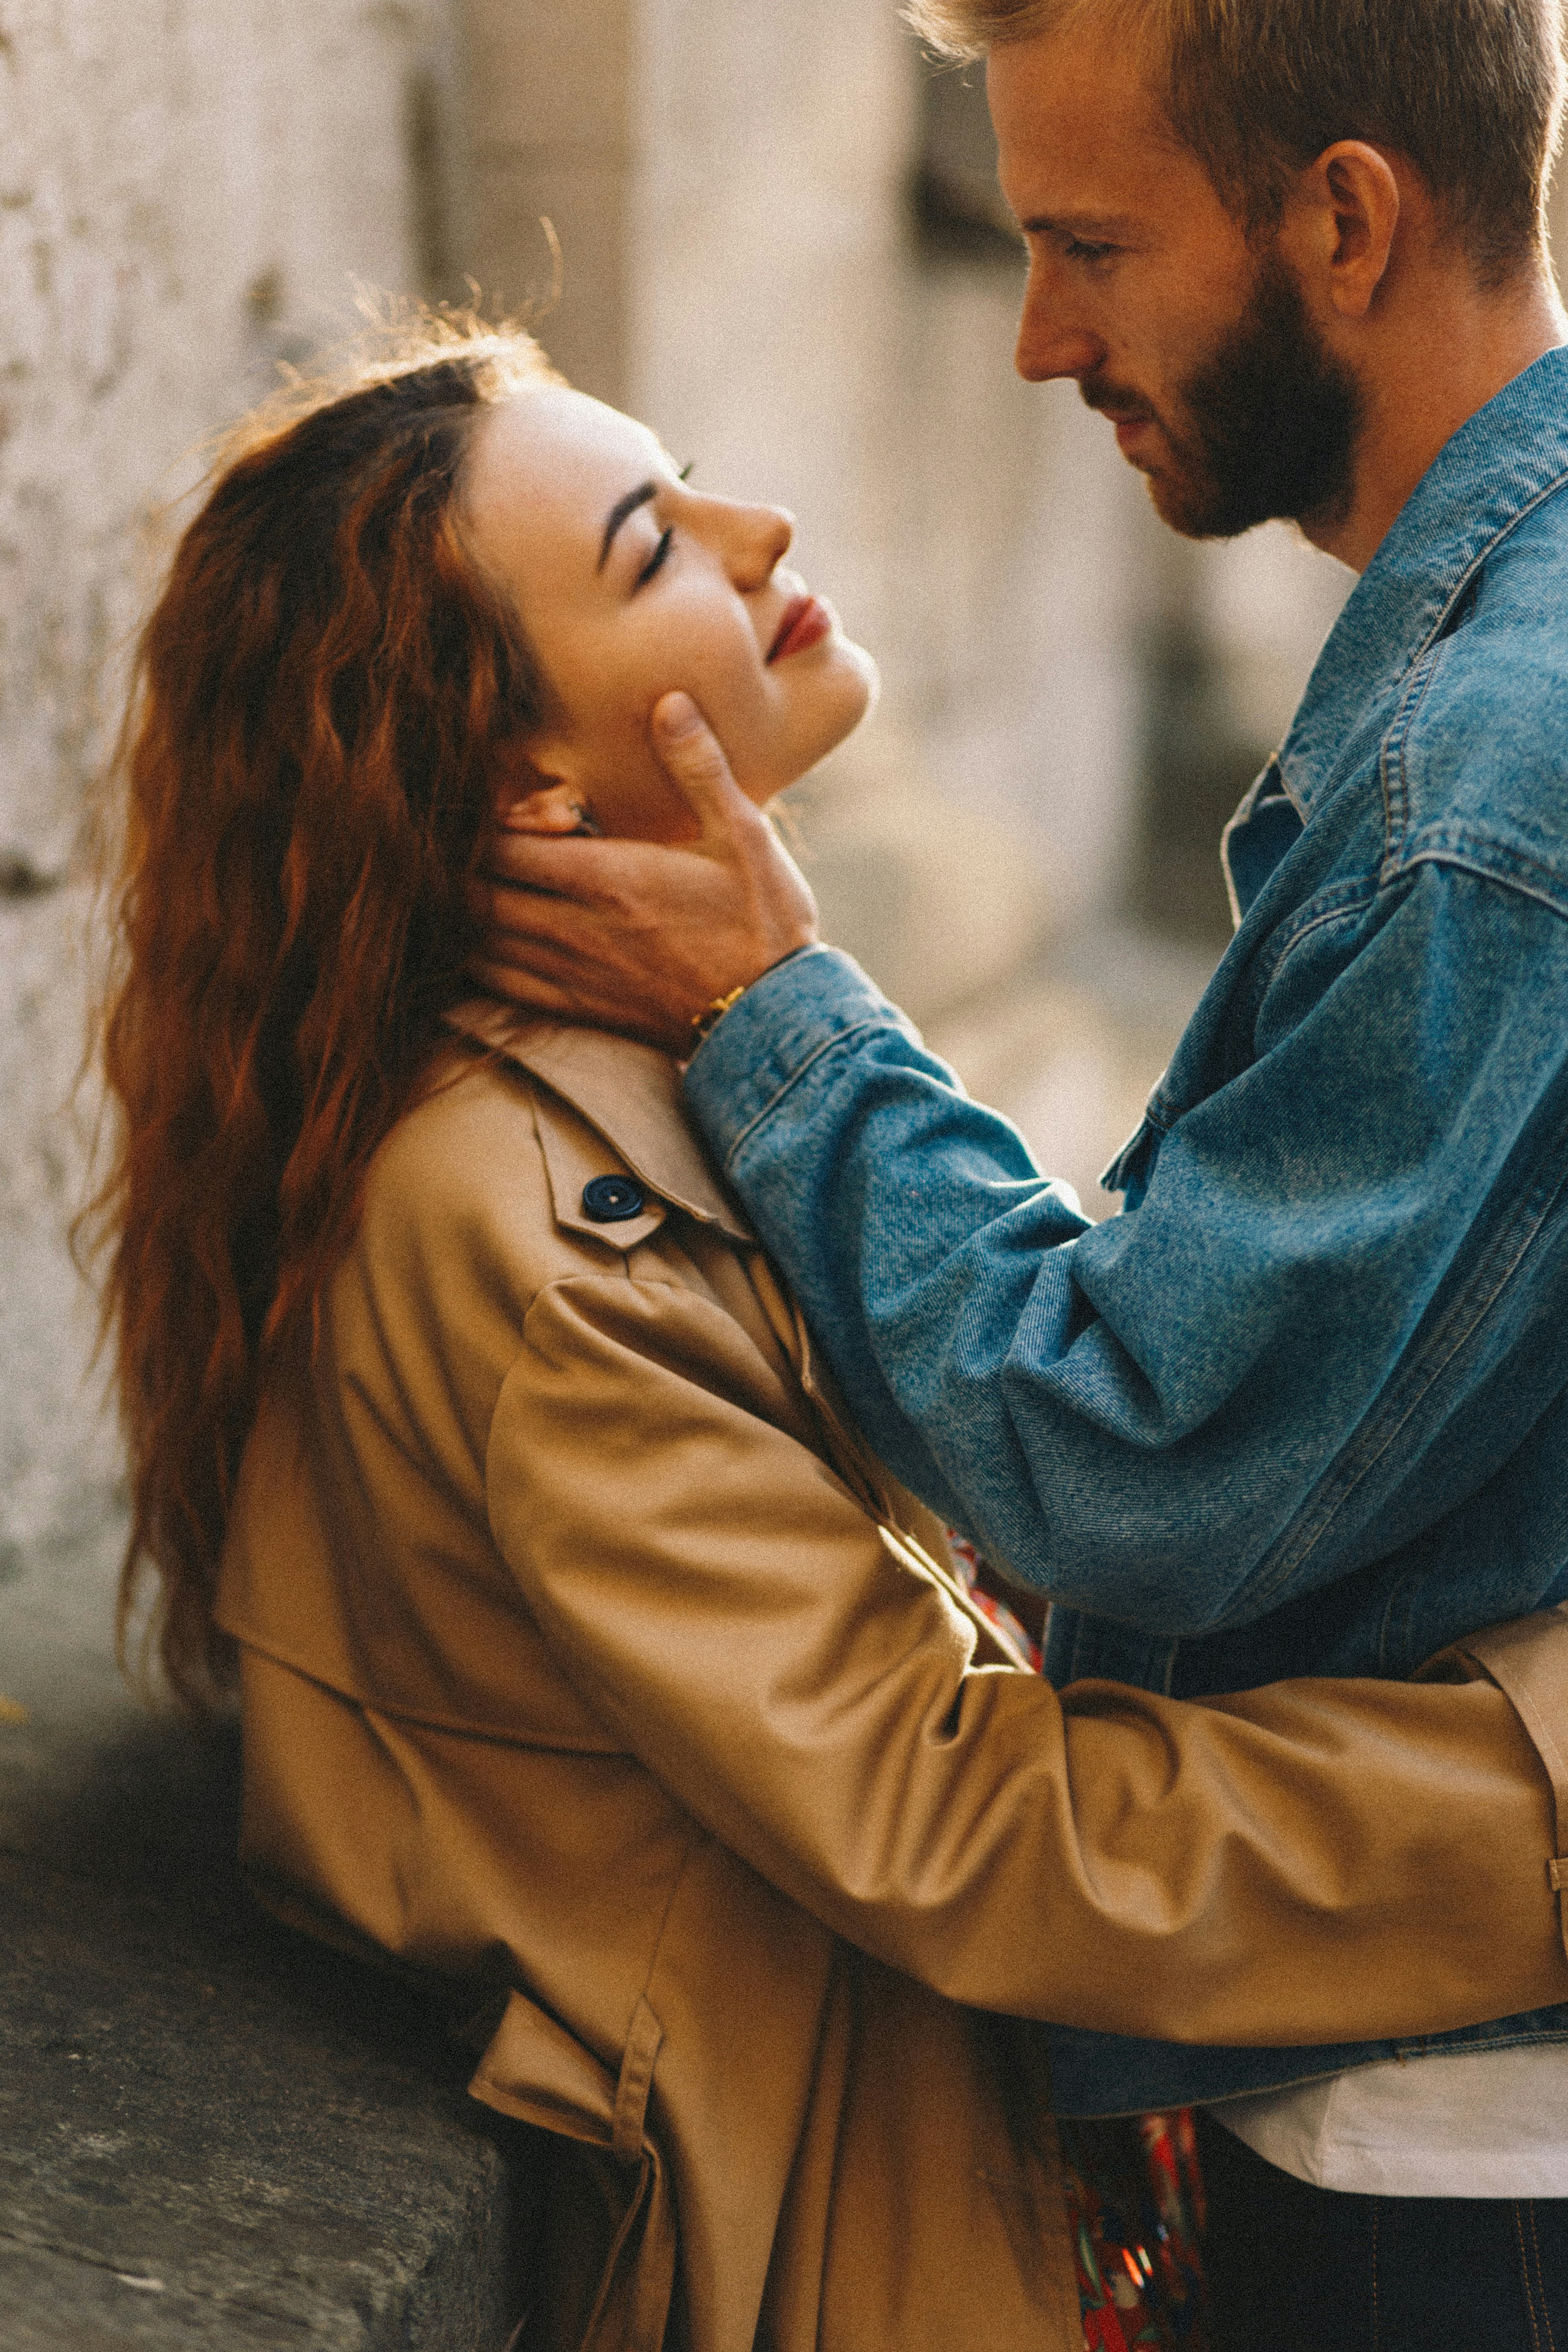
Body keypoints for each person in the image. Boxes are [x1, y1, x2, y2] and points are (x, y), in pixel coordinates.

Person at [92, 323, 1568, 2352]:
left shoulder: (656, 1066)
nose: (758, 525)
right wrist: (1542, 1792)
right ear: (525, 775)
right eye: (648, 547)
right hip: (843, 2244)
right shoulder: (513, 1222)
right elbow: (955, 1821)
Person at [466, 0, 1568, 2343]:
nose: (1040, 334)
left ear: (1345, 220)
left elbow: (1139, 1456)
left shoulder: (1484, 792)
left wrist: (783, 1015)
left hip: (1457, 2166)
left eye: (1090, 243)